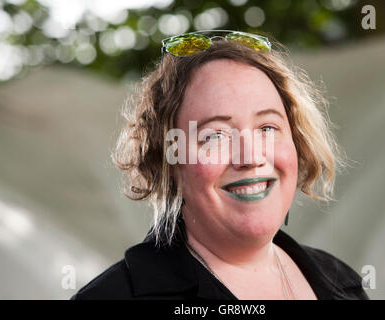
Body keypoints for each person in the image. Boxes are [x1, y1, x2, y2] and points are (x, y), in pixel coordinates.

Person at [71, 30, 369, 300]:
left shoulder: (343, 283)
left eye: (267, 128)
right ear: (170, 159)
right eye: (215, 135)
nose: (250, 157)